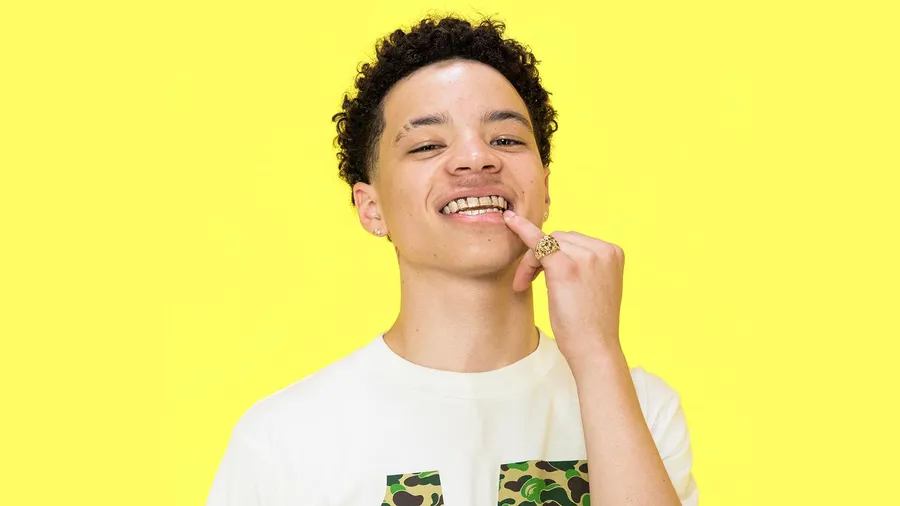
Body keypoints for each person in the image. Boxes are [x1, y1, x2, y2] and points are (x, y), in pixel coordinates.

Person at [207, 15, 698, 506]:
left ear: (545, 189)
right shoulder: (282, 441)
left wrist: (597, 356)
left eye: (506, 139)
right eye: (427, 145)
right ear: (371, 208)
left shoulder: (638, 406)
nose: (476, 158)